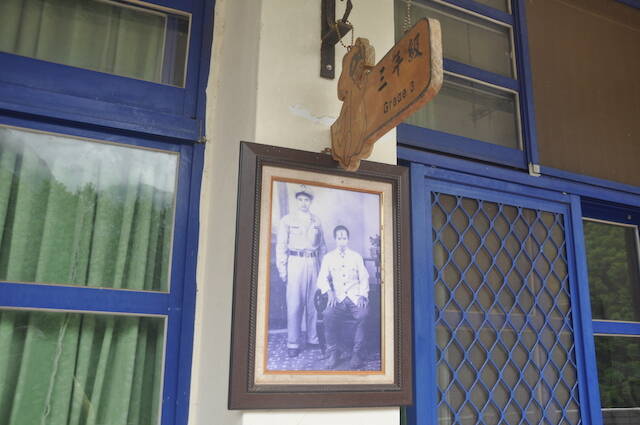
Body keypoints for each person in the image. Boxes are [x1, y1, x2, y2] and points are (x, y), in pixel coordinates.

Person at [276, 184, 326, 357]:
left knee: (313, 303)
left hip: (313, 262)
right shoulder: (287, 220)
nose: (304, 203)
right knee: (294, 304)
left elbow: (322, 247)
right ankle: (293, 342)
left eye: (307, 200)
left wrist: (324, 270)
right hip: (295, 262)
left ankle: (312, 338)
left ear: (310, 202)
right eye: (301, 200)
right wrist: (282, 270)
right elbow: (281, 246)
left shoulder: (316, 221)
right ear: (296, 201)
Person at [317, 225, 370, 369]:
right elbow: (321, 279)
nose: (342, 241)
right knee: (328, 314)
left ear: (348, 239)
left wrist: (363, 295)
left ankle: (356, 353)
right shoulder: (328, 258)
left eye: (344, 238)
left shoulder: (356, 257)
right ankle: (333, 352)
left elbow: (364, 278)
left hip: (355, 296)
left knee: (363, 314)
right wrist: (329, 292)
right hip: (338, 297)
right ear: (335, 239)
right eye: (339, 238)